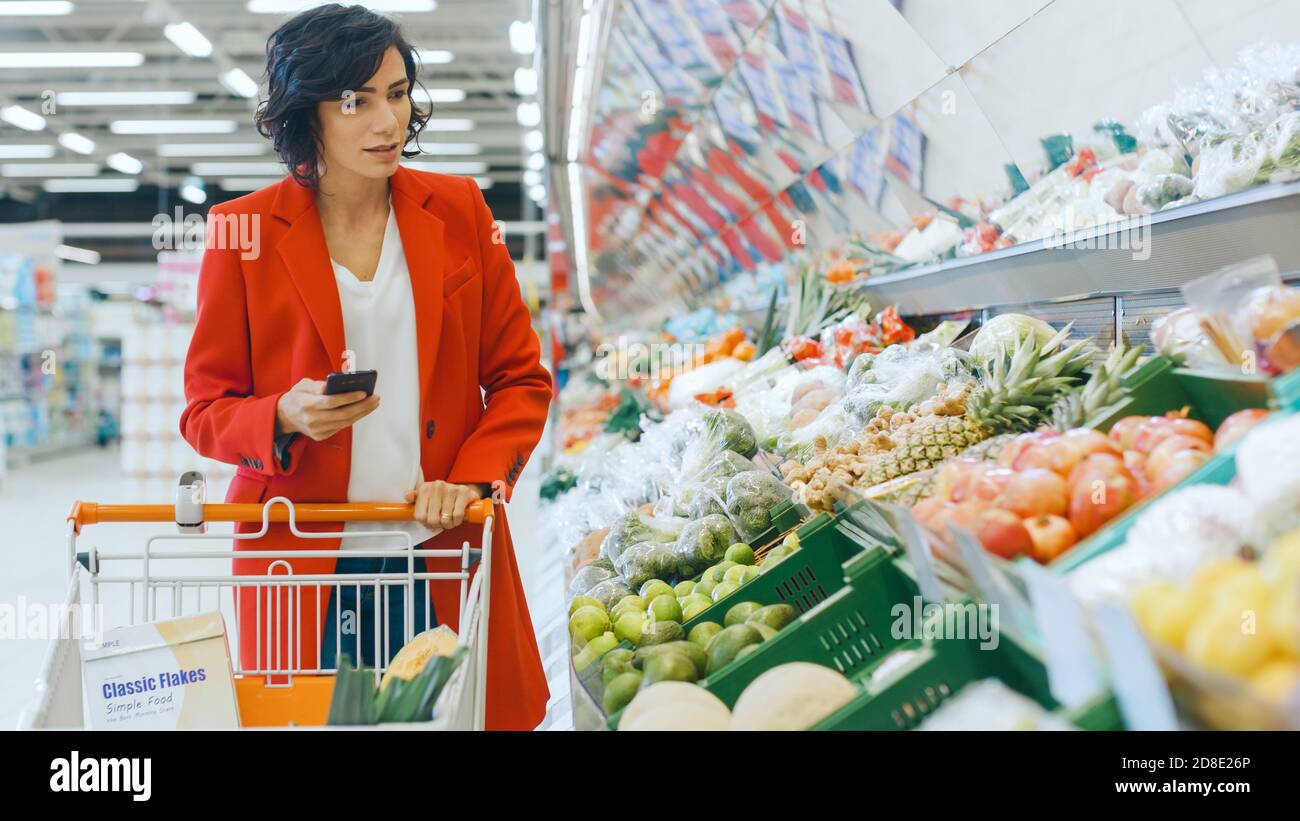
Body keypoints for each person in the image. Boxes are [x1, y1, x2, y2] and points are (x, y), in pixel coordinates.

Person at [180, 3, 552, 730]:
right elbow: (204, 409)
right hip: (299, 561)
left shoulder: (461, 212)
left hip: (434, 553)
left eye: (397, 93)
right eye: (355, 101)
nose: (386, 121)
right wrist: (282, 415)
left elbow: (520, 378)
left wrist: (472, 477)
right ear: (305, 114)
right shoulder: (242, 232)